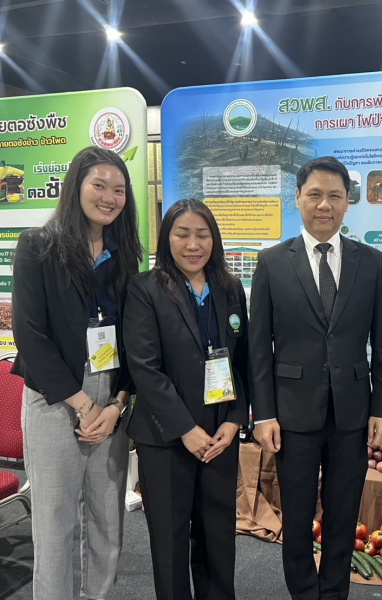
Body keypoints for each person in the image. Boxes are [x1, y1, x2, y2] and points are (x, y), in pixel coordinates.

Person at [249, 156, 382, 600]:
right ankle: (303, 593)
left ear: (347, 202)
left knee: (343, 513)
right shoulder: (272, 262)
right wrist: (264, 414)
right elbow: (258, 348)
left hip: (352, 413)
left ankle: (333, 593)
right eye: (314, 194)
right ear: (297, 198)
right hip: (291, 413)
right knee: (296, 517)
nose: (324, 205)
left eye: (335, 195)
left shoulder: (371, 261)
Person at [12, 146, 143, 600]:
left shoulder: (124, 254)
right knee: (55, 523)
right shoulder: (37, 246)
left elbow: (134, 339)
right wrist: (84, 406)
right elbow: (30, 336)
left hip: (110, 399)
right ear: (76, 187)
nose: (109, 197)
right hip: (56, 398)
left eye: (119, 190)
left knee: (108, 520)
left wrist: (117, 404)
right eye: (99, 185)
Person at [123, 199, 249, 600]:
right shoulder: (144, 288)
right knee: (170, 541)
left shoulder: (230, 288)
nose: (193, 244)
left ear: (214, 239)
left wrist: (234, 419)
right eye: (182, 234)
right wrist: (185, 429)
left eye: (202, 234)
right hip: (166, 437)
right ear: (167, 239)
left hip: (220, 434)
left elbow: (242, 360)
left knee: (218, 537)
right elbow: (145, 368)